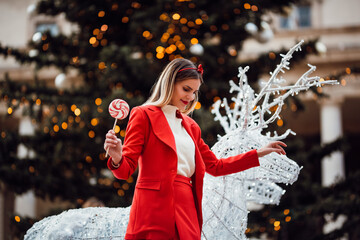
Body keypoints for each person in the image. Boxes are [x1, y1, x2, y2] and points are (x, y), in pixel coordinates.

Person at [104, 58, 286, 240]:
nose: (191, 97)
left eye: (194, 92)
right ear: (169, 84)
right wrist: (117, 156)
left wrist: (258, 153)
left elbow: (216, 166)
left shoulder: (192, 126)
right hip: (153, 208)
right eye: (186, 89)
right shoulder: (143, 114)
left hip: (187, 207)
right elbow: (125, 171)